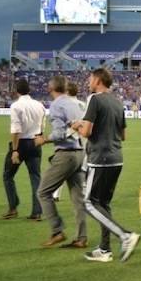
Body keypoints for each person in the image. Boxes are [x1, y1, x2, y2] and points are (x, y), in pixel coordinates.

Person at [71, 68, 140, 263]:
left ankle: (125, 236)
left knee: (89, 203)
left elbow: (86, 132)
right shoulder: (118, 102)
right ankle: (104, 249)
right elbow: (123, 135)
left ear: (98, 80)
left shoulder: (95, 99)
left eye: (91, 78)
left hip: (99, 158)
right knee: (103, 203)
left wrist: (77, 125)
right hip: (116, 158)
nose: (88, 81)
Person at [34, 76, 87, 248]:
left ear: (50, 88)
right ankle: (81, 238)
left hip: (65, 154)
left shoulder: (57, 105)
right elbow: (80, 127)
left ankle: (57, 231)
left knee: (43, 192)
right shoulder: (75, 104)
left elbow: (59, 133)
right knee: (78, 198)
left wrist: (44, 140)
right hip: (80, 153)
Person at [2, 79, 45, 220]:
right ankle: (37, 211)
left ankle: (13, 207)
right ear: (29, 90)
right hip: (35, 141)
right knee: (35, 177)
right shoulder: (39, 105)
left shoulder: (16, 106)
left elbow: (16, 130)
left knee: (8, 175)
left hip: (21, 144)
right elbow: (42, 126)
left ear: (16, 91)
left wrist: (15, 150)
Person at [52, 82, 87, 203]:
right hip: (83, 141)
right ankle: (84, 194)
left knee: (62, 169)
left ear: (66, 92)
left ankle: (55, 194)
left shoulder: (64, 105)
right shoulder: (83, 105)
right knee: (82, 169)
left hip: (69, 141)